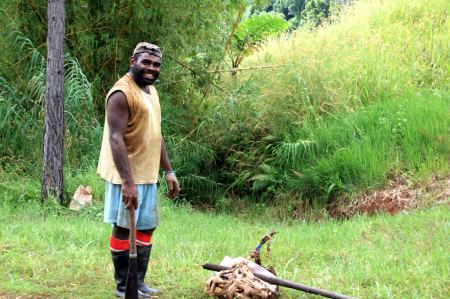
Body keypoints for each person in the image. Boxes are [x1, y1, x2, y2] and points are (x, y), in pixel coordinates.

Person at [97, 42, 180, 298]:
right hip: (127, 175)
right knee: (124, 228)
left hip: (147, 173)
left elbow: (156, 134)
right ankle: (124, 287)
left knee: (146, 227)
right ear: (132, 61)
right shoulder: (121, 93)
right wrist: (128, 183)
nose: (151, 68)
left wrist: (168, 171)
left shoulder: (151, 91)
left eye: (156, 64)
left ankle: (139, 282)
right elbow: (115, 139)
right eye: (146, 62)